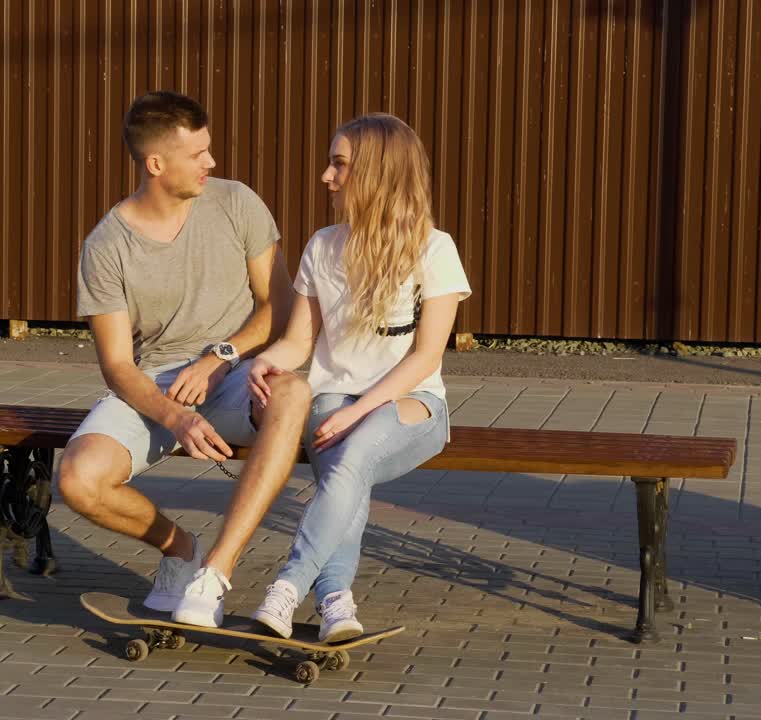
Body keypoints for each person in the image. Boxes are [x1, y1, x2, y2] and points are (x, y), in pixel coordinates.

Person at [57, 91, 311, 628]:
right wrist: (175, 415)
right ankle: (181, 552)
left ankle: (216, 571)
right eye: (198, 154)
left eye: (209, 150)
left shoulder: (236, 202)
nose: (211, 163)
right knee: (79, 481)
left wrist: (222, 355)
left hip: (238, 371)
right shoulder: (105, 246)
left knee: (291, 392)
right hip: (157, 386)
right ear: (156, 164)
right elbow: (118, 366)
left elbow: (279, 306)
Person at [245, 113, 471, 642]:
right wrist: (266, 359)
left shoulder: (435, 249)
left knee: (353, 452)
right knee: (347, 466)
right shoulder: (323, 245)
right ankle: (336, 605)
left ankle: (289, 584)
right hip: (333, 399)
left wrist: (357, 409)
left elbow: (424, 357)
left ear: (378, 173)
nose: (326, 175)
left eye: (340, 164)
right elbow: (300, 341)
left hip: (412, 403)